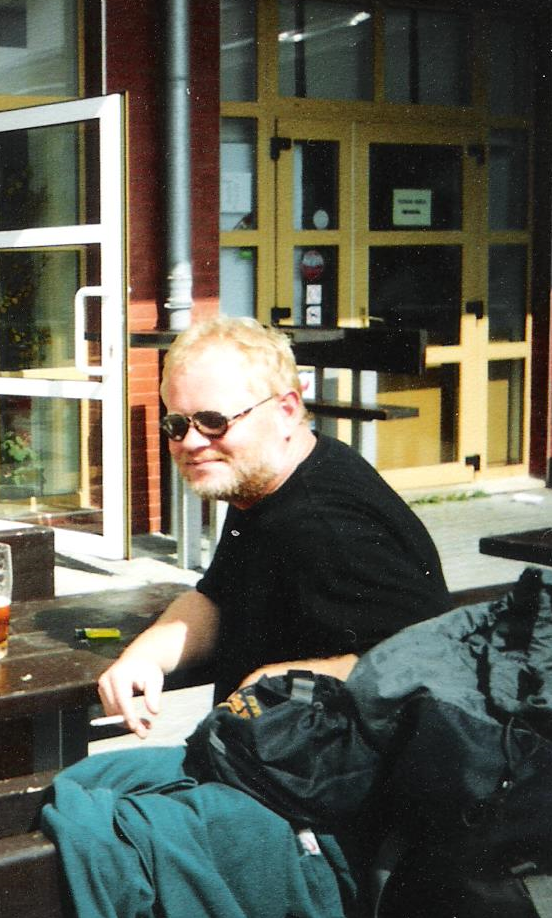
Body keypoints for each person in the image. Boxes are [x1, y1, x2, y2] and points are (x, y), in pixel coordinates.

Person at [98, 315, 451, 737]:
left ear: (286, 411)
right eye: (177, 424)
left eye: (214, 421)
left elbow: (426, 662)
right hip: (268, 756)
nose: (192, 442)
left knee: (88, 780)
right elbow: (216, 597)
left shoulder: (327, 524)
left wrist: (278, 685)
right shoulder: (263, 480)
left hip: (321, 771)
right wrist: (144, 657)